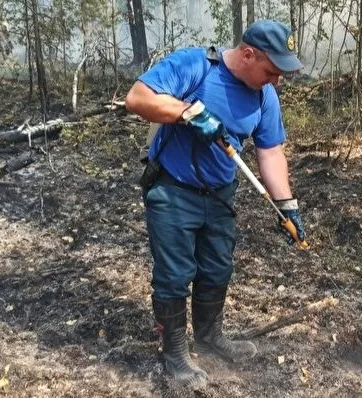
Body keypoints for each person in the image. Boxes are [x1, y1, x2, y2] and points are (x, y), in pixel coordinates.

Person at [124, 19, 307, 387]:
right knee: (175, 276)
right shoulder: (195, 66)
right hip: (174, 190)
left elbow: (270, 153)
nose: (277, 80)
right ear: (248, 53)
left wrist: (286, 204)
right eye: (272, 71)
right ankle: (175, 353)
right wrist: (188, 113)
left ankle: (209, 336)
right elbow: (137, 99)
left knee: (217, 269)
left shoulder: (264, 96)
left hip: (220, 194)